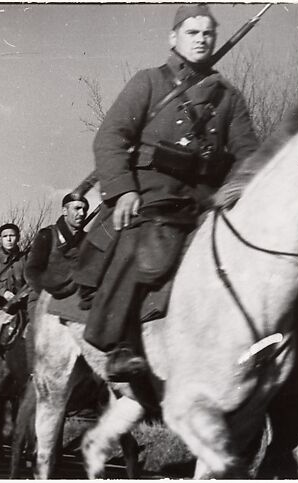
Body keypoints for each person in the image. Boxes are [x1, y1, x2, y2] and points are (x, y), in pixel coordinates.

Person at [73, 4, 259, 382]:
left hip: (207, 198)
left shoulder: (229, 98)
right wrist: (123, 190)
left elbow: (249, 153)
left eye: (208, 33)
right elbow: (110, 138)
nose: (201, 39)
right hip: (150, 193)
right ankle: (121, 343)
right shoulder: (149, 82)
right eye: (192, 32)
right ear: (173, 38)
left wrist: (235, 187)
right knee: (147, 251)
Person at [25, 192, 89, 304]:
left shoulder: (88, 239)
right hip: (43, 296)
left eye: (85, 209)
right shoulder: (47, 235)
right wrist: (45, 294)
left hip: (73, 297)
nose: (82, 213)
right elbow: (31, 271)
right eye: (77, 208)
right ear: (65, 211)